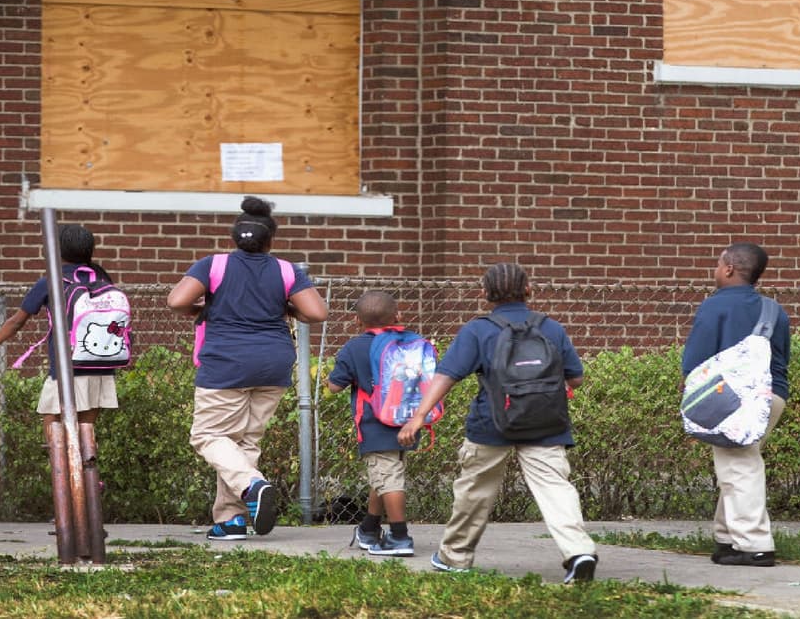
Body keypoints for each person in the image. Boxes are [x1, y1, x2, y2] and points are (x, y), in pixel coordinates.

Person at [397, 262, 598, 584]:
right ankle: (578, 551)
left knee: (474, 492)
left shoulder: (479, 330)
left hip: (491, 426)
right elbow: (576, 379)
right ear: (529, 289)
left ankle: (455, 557)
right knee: (557, 489)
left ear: (485, 294)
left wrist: (418, 417)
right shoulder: (551, 328)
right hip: (547, 425)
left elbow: (447, 375)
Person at [167, 196, 328, 540]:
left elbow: (177, 300)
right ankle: (232, 520)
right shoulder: (285, 270)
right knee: (244, 442)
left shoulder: (214, 265)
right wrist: (286, 306)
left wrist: (206, 306)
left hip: (227, 363)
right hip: (273, 362)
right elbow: (316, 312)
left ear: (234, 237)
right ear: (270, 240)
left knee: (208, 435)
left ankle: (252, 485)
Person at [0, 224, 122, 526]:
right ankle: (90, 485)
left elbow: (16, 321)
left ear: (57, 251)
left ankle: (71, 496)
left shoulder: (52, 280)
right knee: (85, 429)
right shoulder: (102, 278)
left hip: (66, 371)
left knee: (54, 430)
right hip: (101, 367)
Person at [680, 242, 791, 567]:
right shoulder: (774, 310)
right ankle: (727, 538)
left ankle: (755, 545)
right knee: (735, 463)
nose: (715, 270)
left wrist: (688, 395)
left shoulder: (714, 307)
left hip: (728, 400)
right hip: (772, 396)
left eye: (718, 264)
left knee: (741, 466)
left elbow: (695, 363)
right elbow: (782, 359)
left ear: (728, 268)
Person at [328, 290, 420, 557]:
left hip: (375, 425)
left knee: (388, 478)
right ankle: (369, 528)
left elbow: (335, 386)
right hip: (408, 422)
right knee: (383, 475)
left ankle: (400, 537)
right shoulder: (410, 343)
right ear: (398, 316)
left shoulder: (354, 347)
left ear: (358, 321)